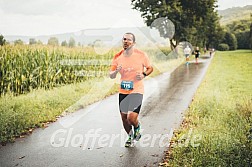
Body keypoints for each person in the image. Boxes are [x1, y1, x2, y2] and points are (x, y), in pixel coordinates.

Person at [109, 32, 153, 147]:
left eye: (129, 39)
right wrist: (116, 71)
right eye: (124, 39)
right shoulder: (117, 56)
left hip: (137, 90)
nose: (126, 41)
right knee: (124, 118)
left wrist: (143, 74)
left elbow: (150, 68)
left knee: (131, 117)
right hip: (123, 91)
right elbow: (111, 75)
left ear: (134, 43)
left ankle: (137, 126)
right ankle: (130, 136)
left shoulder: (141, 55)